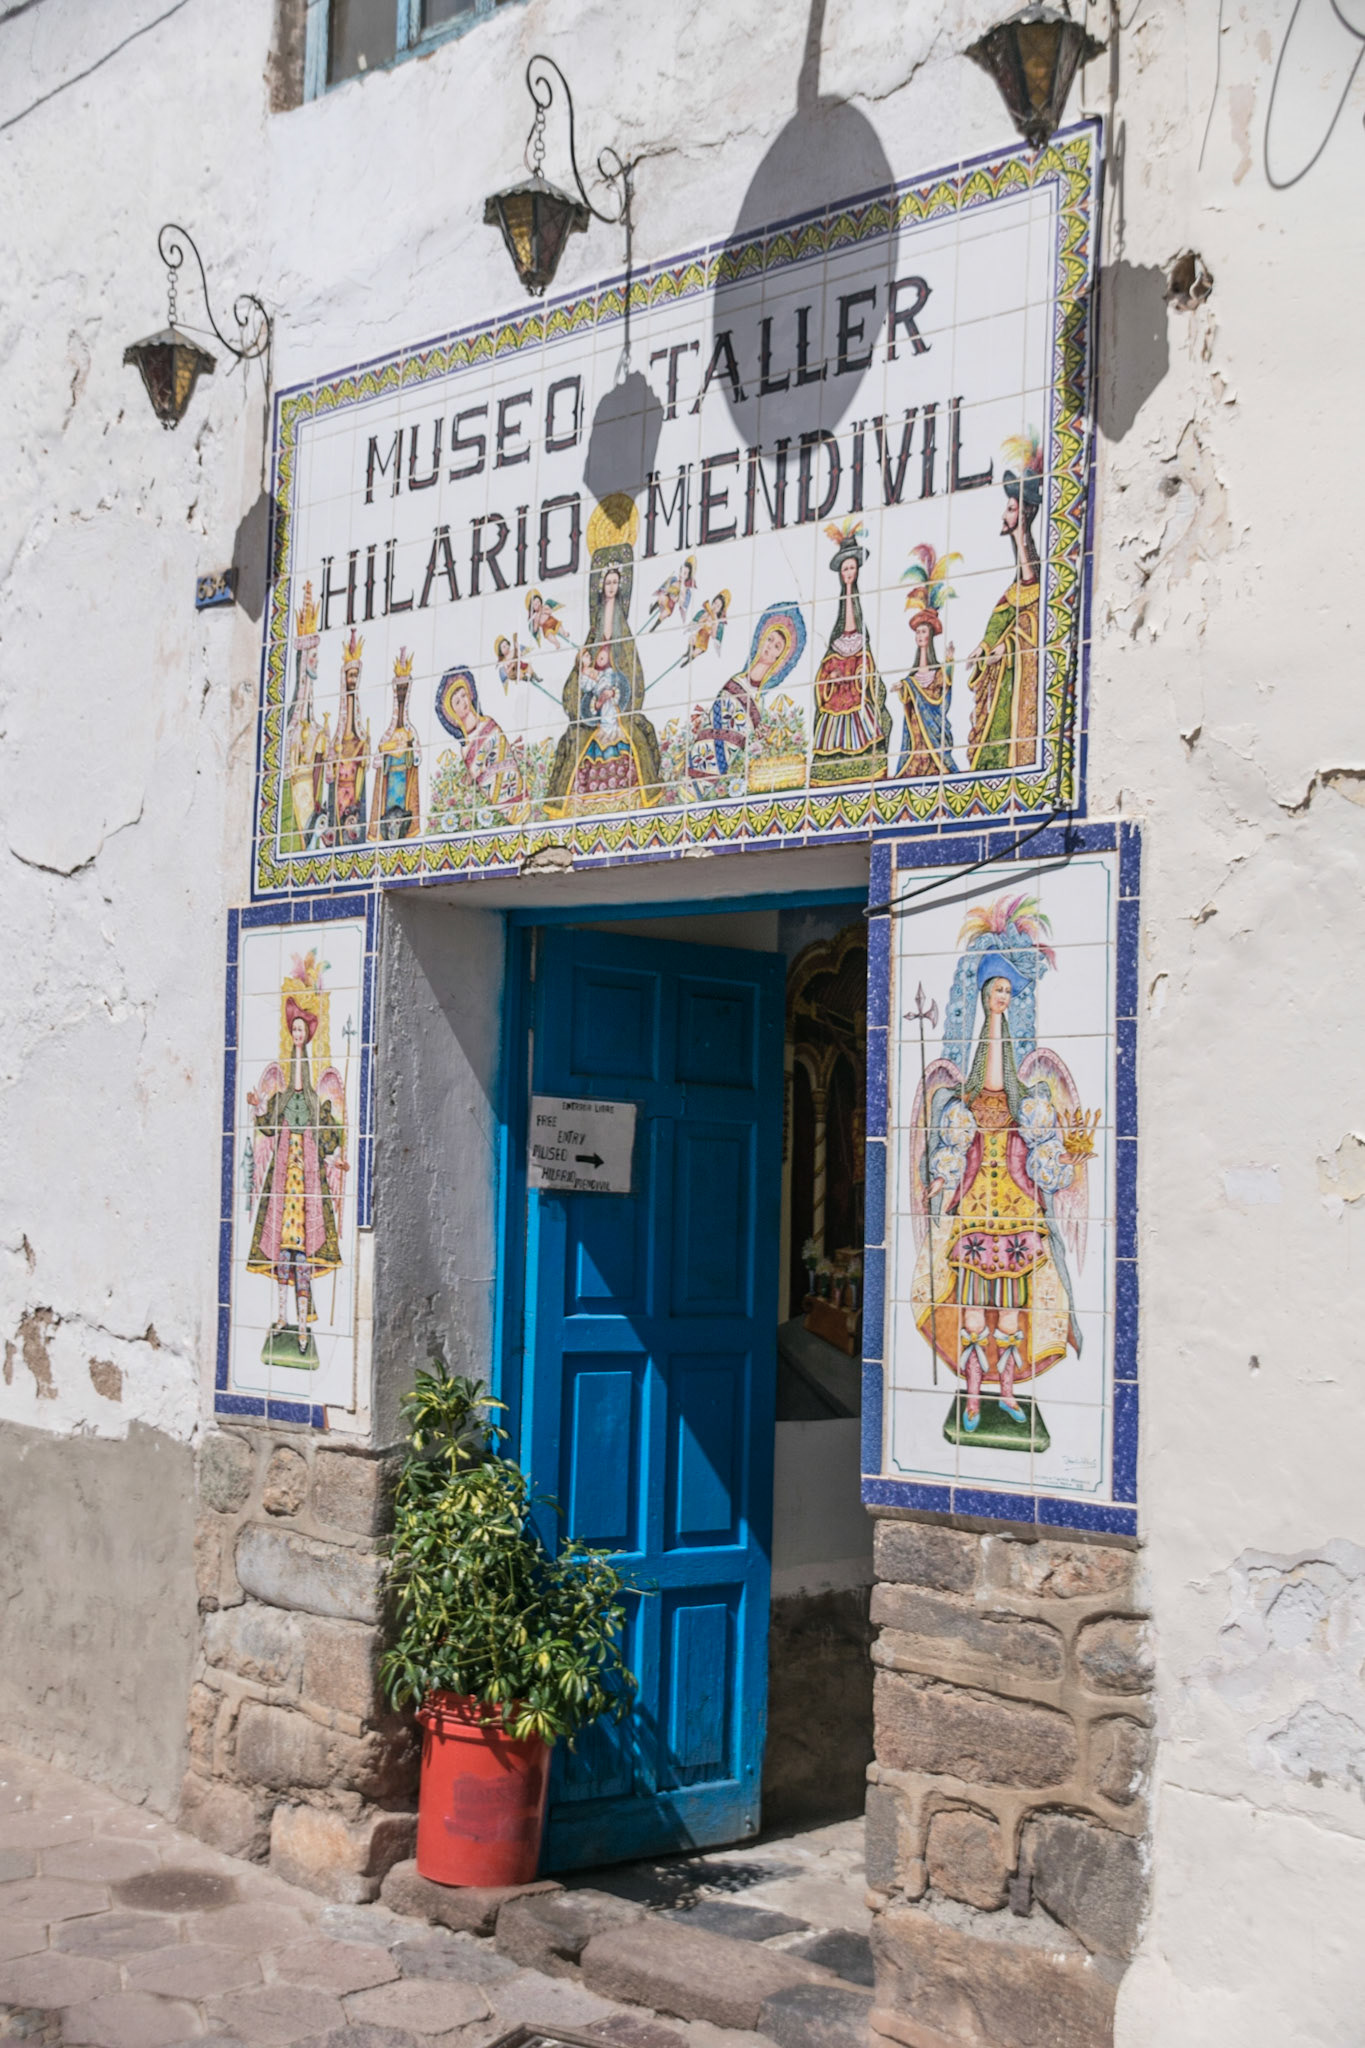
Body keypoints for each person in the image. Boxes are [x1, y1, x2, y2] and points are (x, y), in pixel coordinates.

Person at [911, 894, 1091, 1437]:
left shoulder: (1029, 1100)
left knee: (1012, 1312)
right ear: (983, 994)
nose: (1002, 998)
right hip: (972, 1212)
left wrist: (1069, 1157)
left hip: (1015, 1213)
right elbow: (943, 1159)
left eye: (1009, 991)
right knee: (970, 1310)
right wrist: (940, 1176)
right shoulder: (958, 1106)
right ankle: (971, 1392)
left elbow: (1047, 1167)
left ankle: (1007, 1391)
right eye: (996, 990)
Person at [544, 495, 661, 813]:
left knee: (636, 738)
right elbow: (574, 694)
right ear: (600, 586)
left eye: (615, 581)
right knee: (576, 743)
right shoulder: (589, 644)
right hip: (596, 716)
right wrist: (591, 700)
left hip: (617, 716)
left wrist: (616, 694)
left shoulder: (625, 642)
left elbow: (634, 685)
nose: (610, 586)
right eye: (606, 582)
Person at [245, 997, 346, 1357]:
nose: (299, 1035)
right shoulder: (285, 1099)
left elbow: (332, 1136)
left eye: (303, 1029)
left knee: (302, 1259)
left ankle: (302, 1327)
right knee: (282, 1258)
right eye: (295, 1031)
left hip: (307, 1192)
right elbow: (268, 1126)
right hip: (284, 1190)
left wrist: (335, 1155)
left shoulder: (317, 1103)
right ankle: (282, 1319)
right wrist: (258, 1106)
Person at [966, 433, 1043, 773]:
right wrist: (984, 647)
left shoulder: (1036, 583)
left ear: (1024, 513)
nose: (1004, 515)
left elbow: (1033, 624)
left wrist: (1007, 649)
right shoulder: (1014, 589)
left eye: (1011, 508)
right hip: (1002, 686)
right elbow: (1001, 619)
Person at [687, 603, 807, 793]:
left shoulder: (759, 703)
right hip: (698, 760)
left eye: (777, 646)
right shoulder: (735, 680)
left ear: (781, 656)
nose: (770, 646)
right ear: (761, 640)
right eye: (770, 639)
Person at [810, 521, 889, 785]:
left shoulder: (860, 613)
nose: (848, 573)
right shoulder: (836, 626)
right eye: (845, 569)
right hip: (838, 686)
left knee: (863, 718)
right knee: (832, 723)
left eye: (852, 568)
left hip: (856, 685)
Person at [894, 544, 960, 779]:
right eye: (918, 632)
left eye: (924, 632)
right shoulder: (912, 677)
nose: (920, 636)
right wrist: (904, 687)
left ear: (930, 636)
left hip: (933, 735)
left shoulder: (939, 670)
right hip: (915, 738)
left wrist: (950, 662)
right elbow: (909, 694)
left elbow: (944, 696)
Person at [434, 665, 526, 814]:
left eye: (463, 695)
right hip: (498, 800)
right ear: (452, 712)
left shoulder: (489, 723)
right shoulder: (466, 748)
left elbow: (505, 753)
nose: (463, 702)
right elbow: (481, 777)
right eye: (457, 702)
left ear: (470, 694)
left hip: (516, 787)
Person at [280, 582, 327, 852]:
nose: (316, 662)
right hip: (296, 791)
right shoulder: (292, 722)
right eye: (313, 657)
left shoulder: (312, 723)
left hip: (310, 790)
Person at [368, 650, 422, 840]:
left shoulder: (410, 732)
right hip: (390, 785)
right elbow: (376, 764)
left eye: (403, 689)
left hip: (404, 784)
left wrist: (408, 746)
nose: (401, 693)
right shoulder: (387, 735)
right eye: (398, 689)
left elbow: (417, 758)